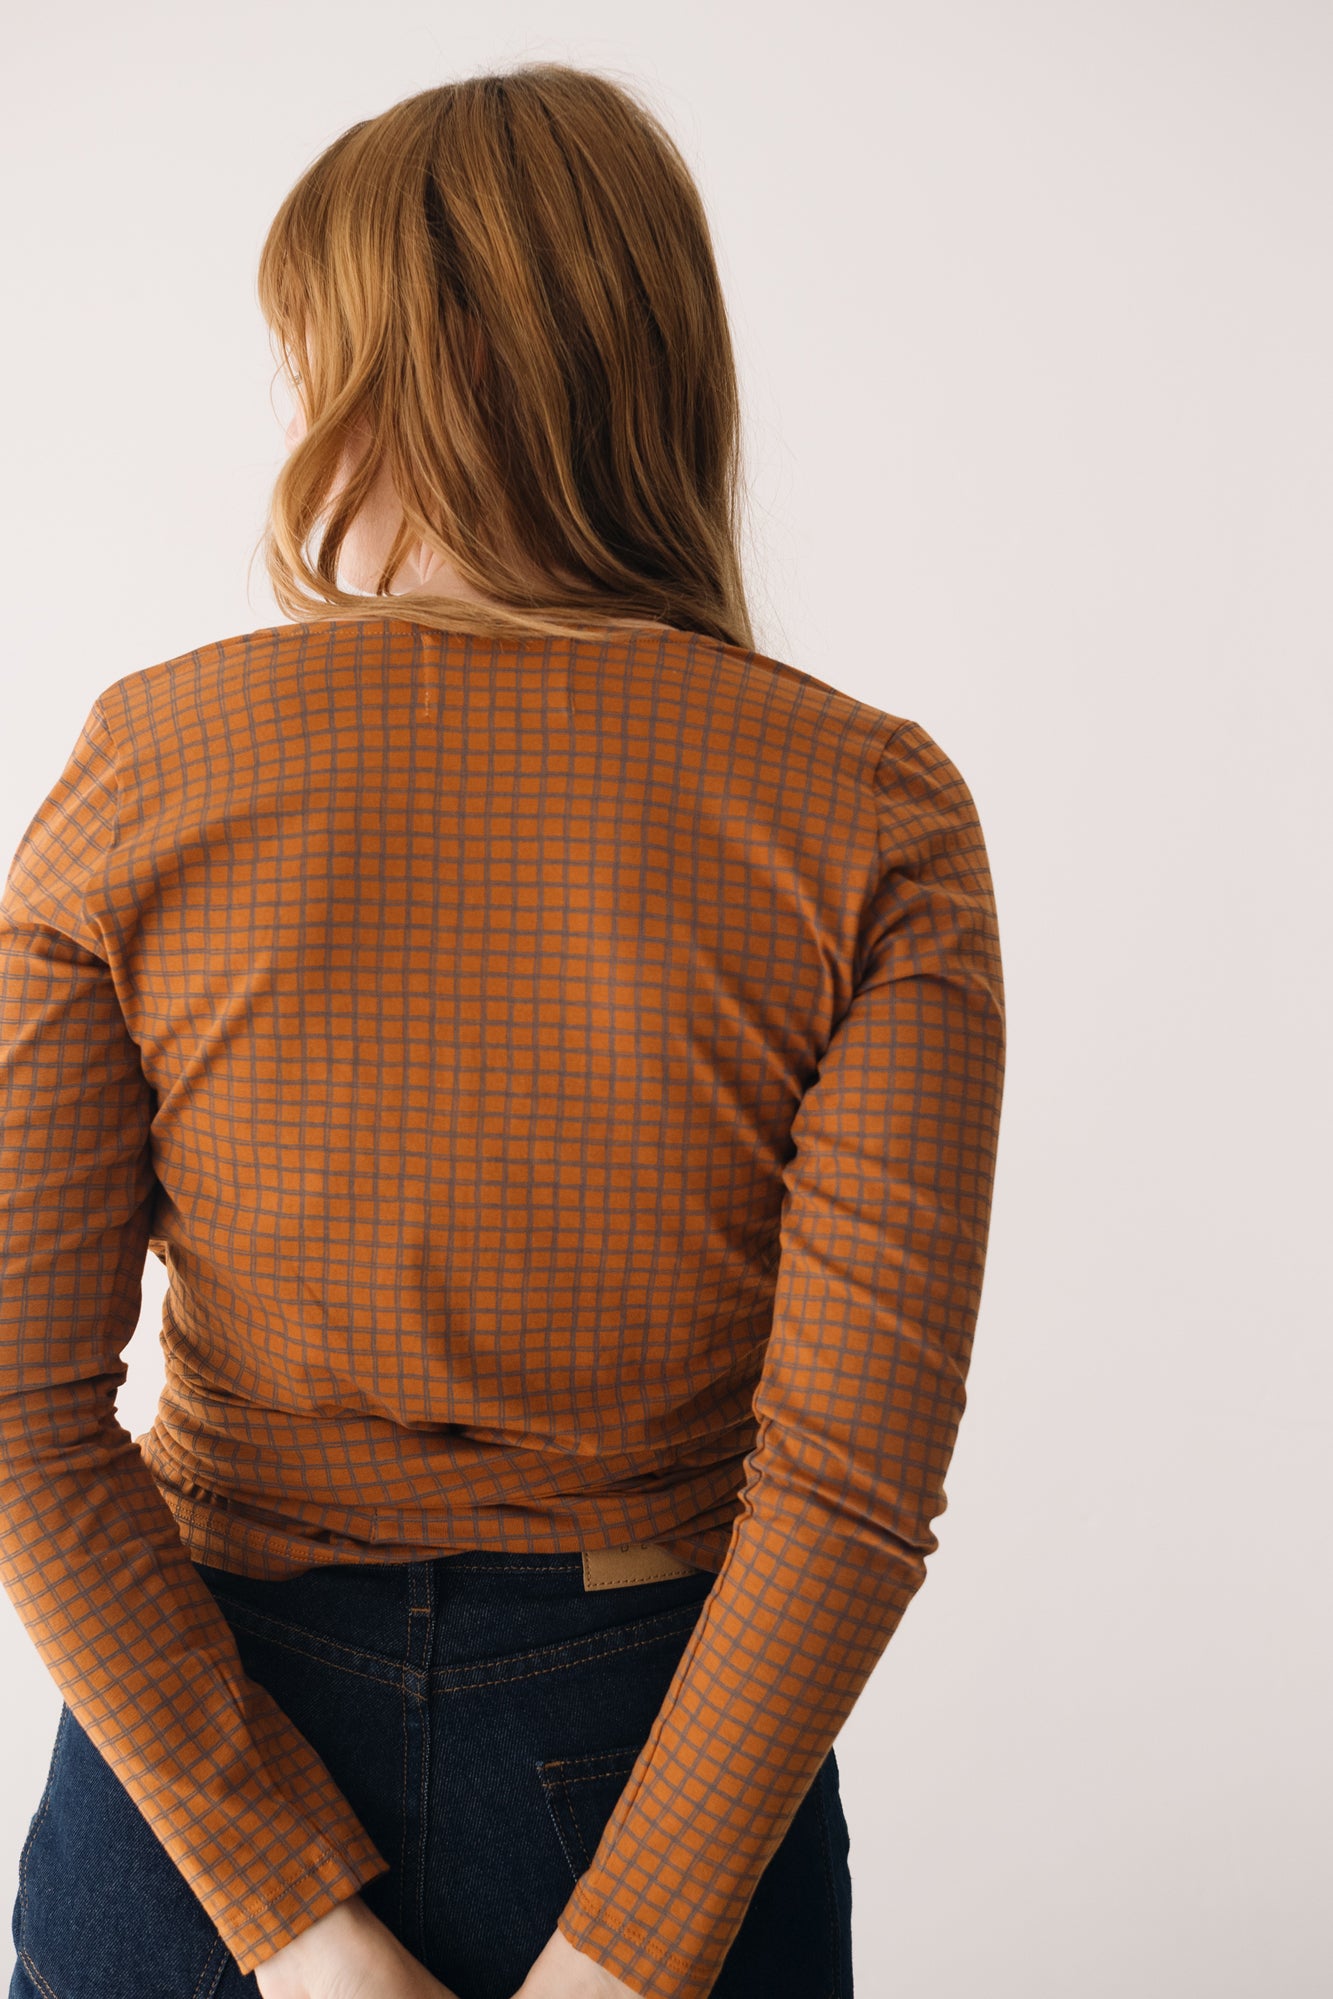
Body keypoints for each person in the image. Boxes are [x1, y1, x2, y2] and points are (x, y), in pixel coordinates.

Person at [0, 60, 1007, 1999]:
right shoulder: (868, 813)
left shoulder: (148, 770)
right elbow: (848, 1486)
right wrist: (625, 1957)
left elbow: (20, 1410)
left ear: (403, 375)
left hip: (194, 1776)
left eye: (313, 359)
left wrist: (295, 1930)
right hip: (662, 1773)